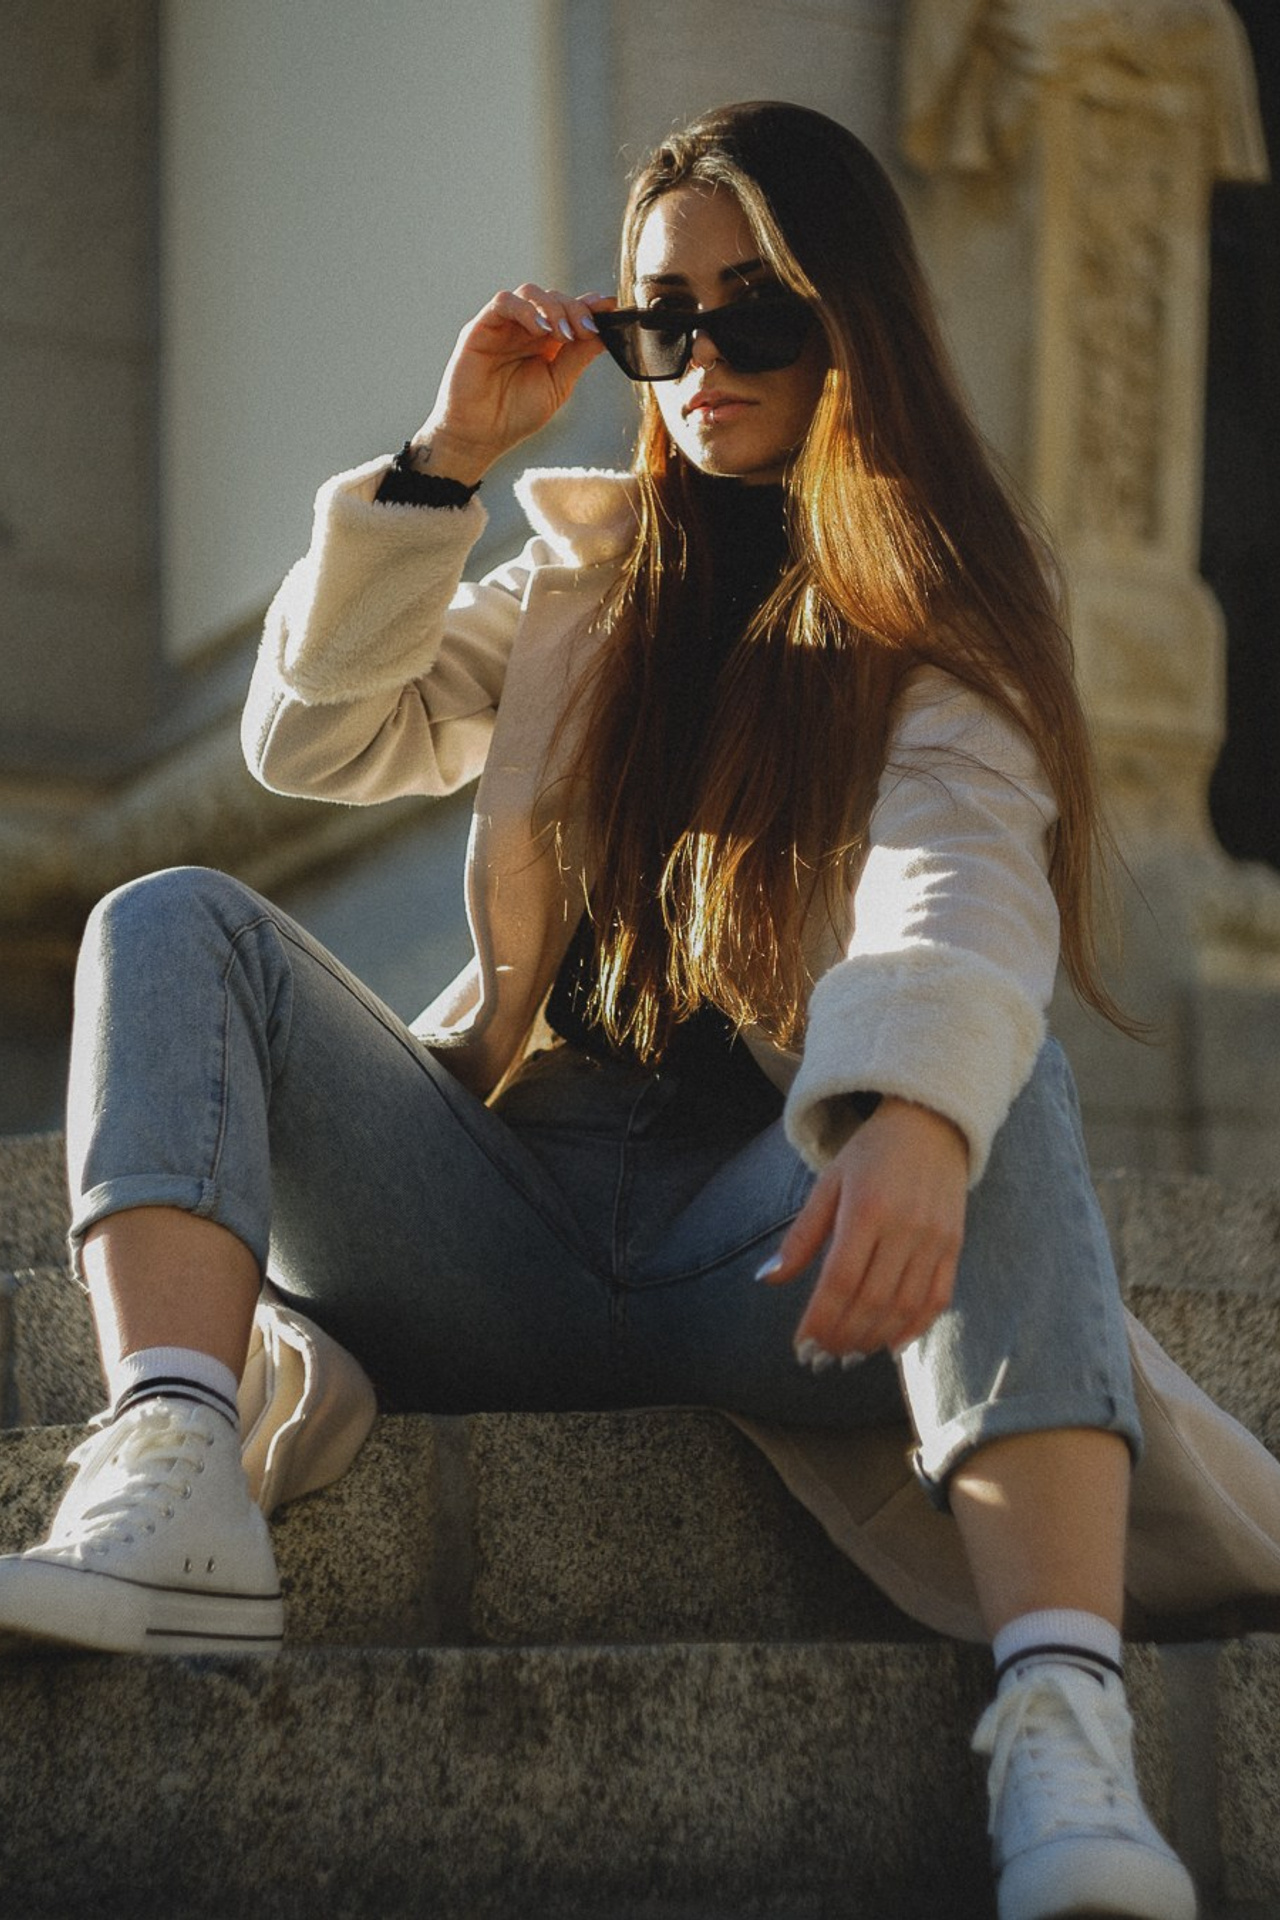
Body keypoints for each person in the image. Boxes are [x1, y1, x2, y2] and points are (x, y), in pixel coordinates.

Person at [0, 101, 1202, 1920]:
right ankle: (174, 1459)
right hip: (492, 1222)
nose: (702, 358)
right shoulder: (581, 577)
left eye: (756, 313)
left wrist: (920, 1119)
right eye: (664, 319)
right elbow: (312, 741)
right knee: (173, 915)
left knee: (985, 1081)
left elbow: (960, 878)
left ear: (852, 321)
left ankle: (1065, 1725)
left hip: (764, 1252)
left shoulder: (945, 604)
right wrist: (444, 459)